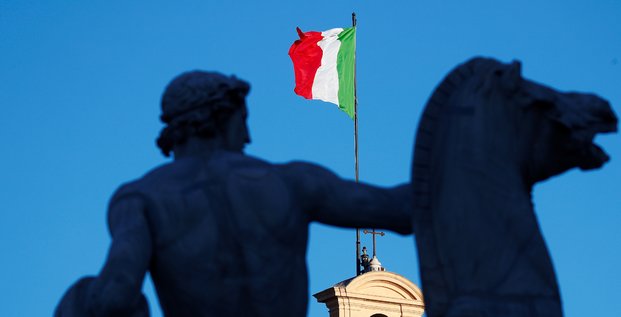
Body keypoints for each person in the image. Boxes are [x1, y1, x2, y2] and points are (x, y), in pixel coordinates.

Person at [55, 71, 412, 317]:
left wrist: (82, 300)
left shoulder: (142, 198)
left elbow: (115, 297)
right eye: (243, 121)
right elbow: (403, 207)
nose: (249, 137)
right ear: (221, 119)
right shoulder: (292, 181)